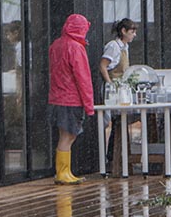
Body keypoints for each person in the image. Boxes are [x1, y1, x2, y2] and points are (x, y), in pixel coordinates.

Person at [48, 14, 95, 184]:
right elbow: (83, 78)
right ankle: (63, 173)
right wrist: (89, 105)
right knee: (69, 136)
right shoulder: (76, 48)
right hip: (71, 99)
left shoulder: (56, 45)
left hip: (56, 97)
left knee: (64, 135)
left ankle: (63, 172)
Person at [99, 18, 138, 167]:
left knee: (120, 122)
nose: (134, 35)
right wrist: (110, 84)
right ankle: (111, 158)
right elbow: (103, 66)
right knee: (116, 122)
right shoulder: (114, 47)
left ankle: (116, 157)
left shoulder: (125, 47)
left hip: (122, 89)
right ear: (123, 31)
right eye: (132, 31)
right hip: (114, 89)